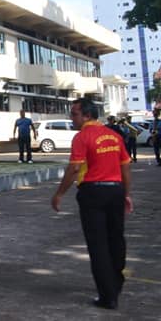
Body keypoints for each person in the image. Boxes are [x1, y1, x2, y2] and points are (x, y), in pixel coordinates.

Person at [51, 97, 133, 310]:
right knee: (116, 239)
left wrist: (59, 193)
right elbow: (125, 167)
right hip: (115, 190)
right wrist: (126, 193)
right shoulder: (114, 136)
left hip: (93, 192)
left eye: (74, 114)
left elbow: (74, 168)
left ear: (87, 115)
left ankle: (108, 296)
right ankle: (115, 283)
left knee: (98, 245)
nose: (72, 118)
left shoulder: (82, 137)